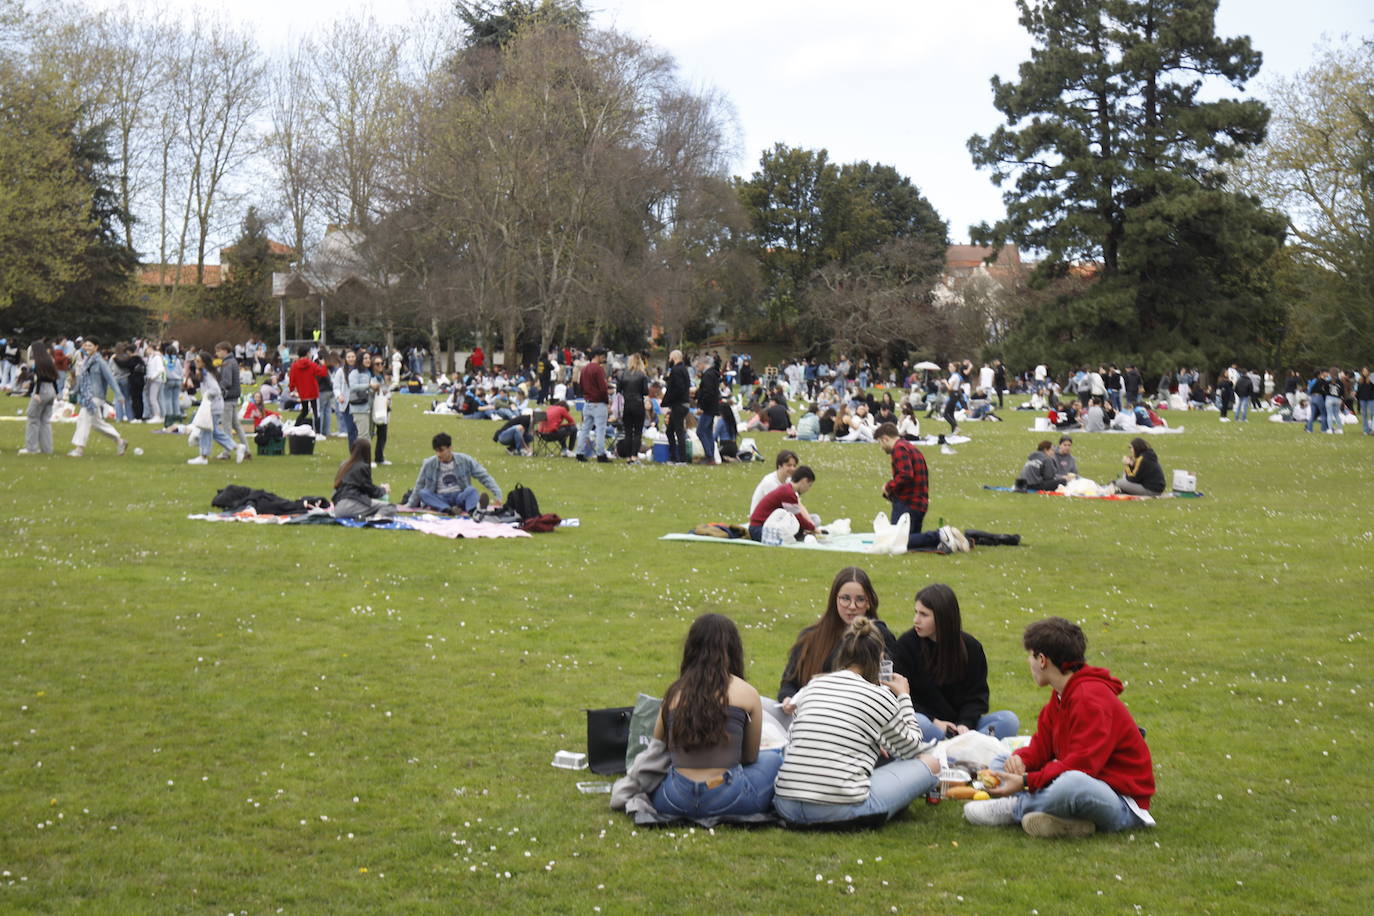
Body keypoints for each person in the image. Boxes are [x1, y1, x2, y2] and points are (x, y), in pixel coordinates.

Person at [963, 616, 1155, 838]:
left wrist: (1026, 781)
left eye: (1030, 656)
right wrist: (1022, 761)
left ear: (1042, 659)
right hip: (1086, 781)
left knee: (1071, 783)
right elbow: (1041, 747)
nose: (1029, 662)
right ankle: (1071, 822)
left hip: (1120, 800)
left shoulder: (1090, 698)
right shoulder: (1062, 694)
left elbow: (1081, 767)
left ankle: (1016, 807)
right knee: (1000, 762)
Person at [772, 617, 940, 826]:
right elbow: (912, 748)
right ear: (879, 658)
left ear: (842, 654)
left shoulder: (813, 685)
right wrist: (904, 696)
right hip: (839, 810)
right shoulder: (878, 695)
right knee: (930, 763)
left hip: (785, 804)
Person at [648, 613, 783, 820]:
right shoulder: (746, 692)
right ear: (734, 650)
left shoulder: (674, 693)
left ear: (691, 649)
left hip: (673, 799)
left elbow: (657, 749)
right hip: (728, 797)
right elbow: (749, 757)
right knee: (773, 759)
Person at [891, 583, 1019, 742]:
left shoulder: (971, 647)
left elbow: (977, 696)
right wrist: (935, 721)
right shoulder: (906, 646)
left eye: (924, 614)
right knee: (919, 721)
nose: (916, 620)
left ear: (942, 617)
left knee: (1009, 720)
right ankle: (961, 747)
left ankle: (958, 747)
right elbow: (901, 696)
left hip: (961, 727)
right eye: (916, 612)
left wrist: (965, 723)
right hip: (929, 726)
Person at [778, 566, 899, 702]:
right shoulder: (810, 637)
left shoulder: (880, 637)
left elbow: (893, 686)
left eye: (860, 599)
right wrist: (788, 698)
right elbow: (788, 683)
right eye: (845, 598)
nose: (852, 606)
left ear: (869, 603)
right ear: (834, 600)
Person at [875, 423, 946, 551]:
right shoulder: (910, 447)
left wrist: (888, 486)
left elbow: (906, 475)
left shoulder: (899, 449)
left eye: (880, 442)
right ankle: (943, 539)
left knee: (897, 541)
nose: (881, 447)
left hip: (908, 503)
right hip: (918, 503)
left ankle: (941, 535)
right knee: (910, 543)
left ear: (885, 438)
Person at [405, 431, 503, 515]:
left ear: (450, 448)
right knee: (423, 493)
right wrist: (409, 506)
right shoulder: (429, 463)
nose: (438, 454)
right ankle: (449, 510)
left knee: (471, 490)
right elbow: (419, 485)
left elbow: (484, 476)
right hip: (440, 498)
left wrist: (498, 495)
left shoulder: (465, 460)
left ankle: (472, 511)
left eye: (441, 450)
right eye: (436, 451)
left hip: (459, 496)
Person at [68, 338, 128, 458]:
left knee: (83, 419)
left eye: (90, 346)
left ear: (96, 347)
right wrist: (74, 391)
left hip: (95, 396)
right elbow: (82, 379)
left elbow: (110, 379)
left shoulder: (100, 362)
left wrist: (119, 394)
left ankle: (79, 449)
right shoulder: (86, 361)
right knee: (96, 422)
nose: (87, 348)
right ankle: (120, 441)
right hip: (86, 396)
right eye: (86, 345)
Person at [331, 438, 397, 520]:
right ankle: (377, 518)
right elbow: (370, 490)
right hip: (351, 504)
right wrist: (383, 490)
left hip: (338, 507)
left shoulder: (344, 465)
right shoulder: (362, 467)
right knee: (390, 506)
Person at [747, 465, 816, 542]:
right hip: (759, 528)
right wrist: (813, 528)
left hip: (760, 526)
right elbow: (797, 517)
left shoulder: (787, 489)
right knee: (792, 534)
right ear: (804, 480)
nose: (808, 489)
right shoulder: (788, 493)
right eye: (809, 485)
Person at [18, 340, 59, 454]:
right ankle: (47, 449)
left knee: (32, 418)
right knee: (45, 421)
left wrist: (36, 393)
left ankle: (31, 448)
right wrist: (57, 393)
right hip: (51, 391)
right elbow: (55, 378)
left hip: (41, 391)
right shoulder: (50, 361)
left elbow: (39, 378)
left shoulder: (38, 363)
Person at [574, 348, 611, 463]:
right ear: (597, 356)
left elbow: (581, 385)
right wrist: (606, 400)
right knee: (600, 430)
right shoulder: (598, 369)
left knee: (585, 429)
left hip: (588, 402)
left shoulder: (584, 369)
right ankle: (600, 454)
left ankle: (579, 453)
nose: (604, 358)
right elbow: (603, 388)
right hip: (599, 403)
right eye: (602, 356)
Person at [215, 342, 251, 455]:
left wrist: (217, 388)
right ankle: (246, 450)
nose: (217, 353)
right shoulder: (234, 361)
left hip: (228, 398)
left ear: (224, 350)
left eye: (218, 351)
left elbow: (227, 381)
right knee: (237, 425)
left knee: (226, 426)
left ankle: (227, 451)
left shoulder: (227, 362)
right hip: (234, 397)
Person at [618, 353, 650, 461]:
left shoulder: (623, 374)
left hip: (627, 404)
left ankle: (627, 456)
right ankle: (634, 455)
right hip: (638, 404)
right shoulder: (642, 375)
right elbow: (645, 391)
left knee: (628, 432)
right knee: (637, 432)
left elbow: (619, 389)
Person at [287, 346, 327, 431]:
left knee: (304, 412)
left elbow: (292, 379)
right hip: (313, 391)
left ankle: (295, 428)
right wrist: (323, 365)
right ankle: (318, 432)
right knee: (316, 412)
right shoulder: (311, 364)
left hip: (302, 392)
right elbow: (323, 373)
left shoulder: (294, 365)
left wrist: (291, 389)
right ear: (307, 354)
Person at [749, 450, 798, 515]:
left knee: (814, 518)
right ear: (779, 466)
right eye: (788, 465)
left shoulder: (789, 481)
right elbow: (777, 508)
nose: (792, 469)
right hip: (762, 519)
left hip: (778, 516)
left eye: (794, 466)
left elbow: (796, 504)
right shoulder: (770, 482)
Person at [664, 349, 690, 463]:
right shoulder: (684, 370)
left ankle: (681, 459)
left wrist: (669, 399)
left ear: (674, 358)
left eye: (670, 358)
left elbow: (678, 388)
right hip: (682, 404)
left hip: (678, 404)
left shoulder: (676, 370)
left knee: (678, 431)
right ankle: (674, 457)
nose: (669, 360)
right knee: (670, 431)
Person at [693, 355, 720, 464]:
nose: (697, 367)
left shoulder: (708, 375)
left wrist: (702, 407)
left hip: (707, 408)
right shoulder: (713, 374)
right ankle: (711, 456)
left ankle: (709, 455)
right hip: (712, 407)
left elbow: (707, 392)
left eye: (698, 365)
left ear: (703, 364)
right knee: (708, 432)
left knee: (701, 431)